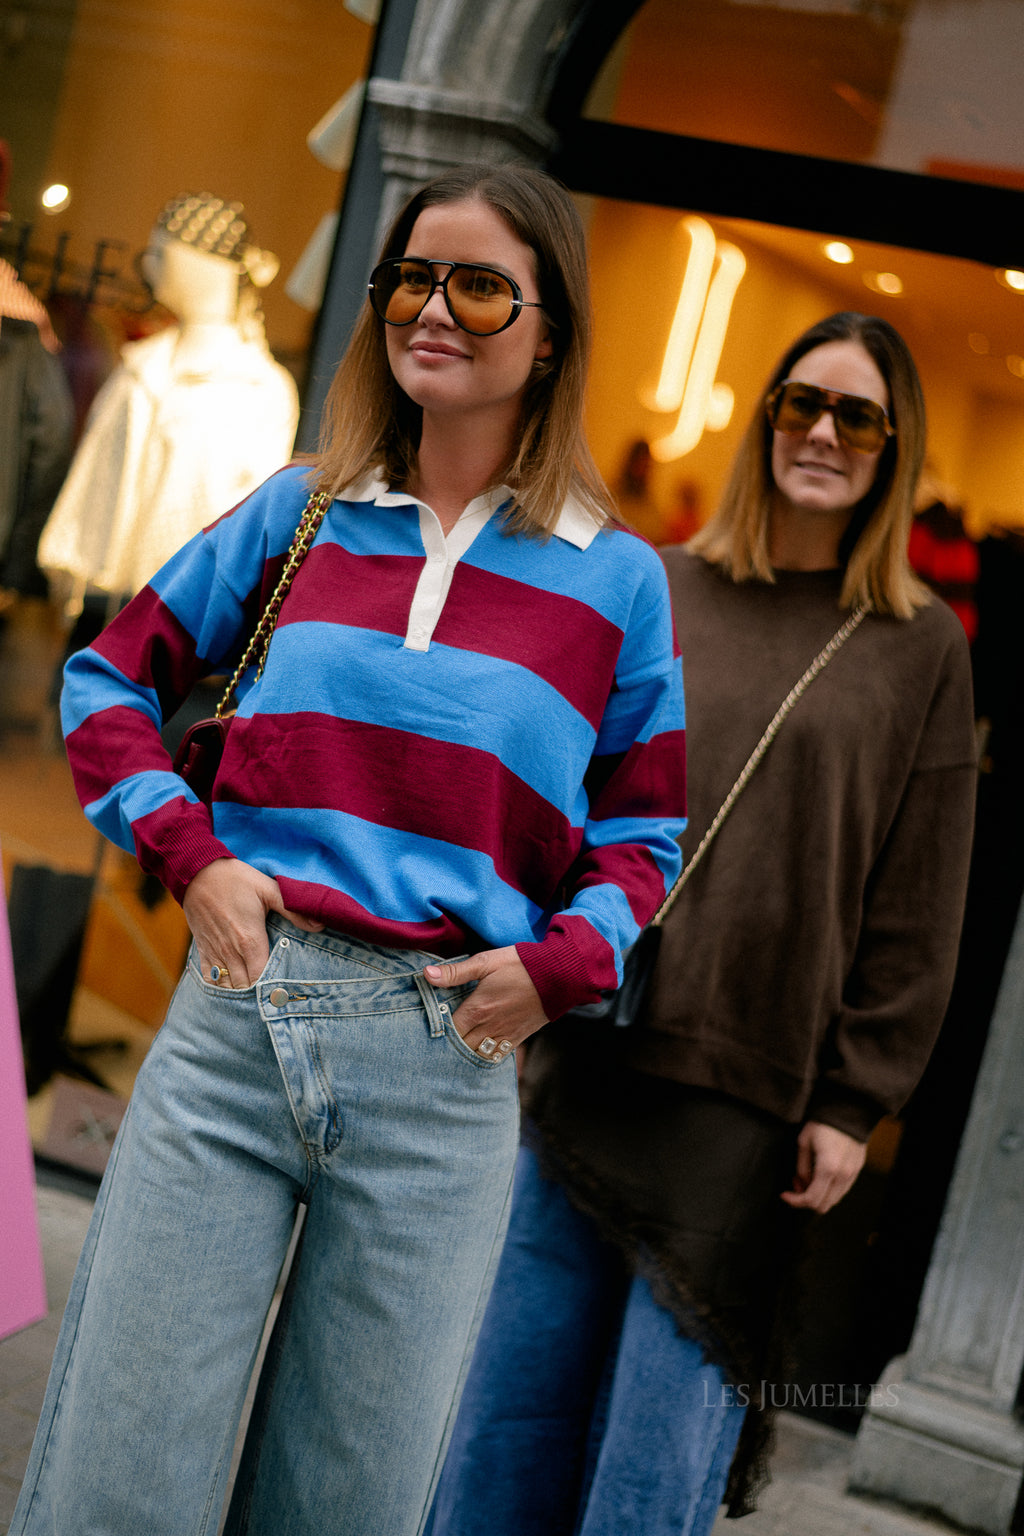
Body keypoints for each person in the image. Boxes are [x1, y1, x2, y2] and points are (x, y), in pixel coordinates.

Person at [10, 163, 686, 1536]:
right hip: (237, 1027)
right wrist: (193, 856)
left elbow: (644, 833)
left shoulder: (615, 580)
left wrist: (555, 970)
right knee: (122, 1483)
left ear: (549, 332)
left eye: (482, 284)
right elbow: (106, 682)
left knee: (347, 1505)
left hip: (446, 1075)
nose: (435, 310)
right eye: (410, 280)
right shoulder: (304, 507)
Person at [427, 312, 977, 1536]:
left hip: (748, 1099)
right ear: (764, 419)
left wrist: (852, 1100)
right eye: (801, 405)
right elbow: (560, 795)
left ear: (894, 451)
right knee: (507, 1412)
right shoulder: (654, 582)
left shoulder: (919, 644)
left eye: (857, 418)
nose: (822, 435)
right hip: (594, 1055)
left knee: (651, 1457)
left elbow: (918, 892)